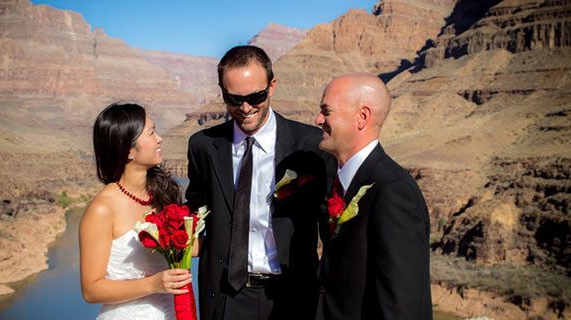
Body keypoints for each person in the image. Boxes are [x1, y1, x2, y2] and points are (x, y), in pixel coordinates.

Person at [186, 45, 330, 320]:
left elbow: (329, 225)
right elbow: (196, 214)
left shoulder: (310, 145)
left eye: (256, 96)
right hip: (226, 297)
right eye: (234, 98)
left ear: (272, 86)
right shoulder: (203, 146)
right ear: (222, 91)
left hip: (291, 298)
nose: (245, 108)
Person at [315, 73, 432, 319]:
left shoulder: (392, 191)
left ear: (362, 117)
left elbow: (401, 304)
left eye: (327, 111)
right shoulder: (339, 181)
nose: (318, 119)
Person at [79, 103, 192, 319]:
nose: (160, 138)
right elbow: (91, 290)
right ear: (128, 150)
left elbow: (190, 248)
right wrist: (153, 284)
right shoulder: (102, 209)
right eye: (151, 133)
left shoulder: (162, 194)